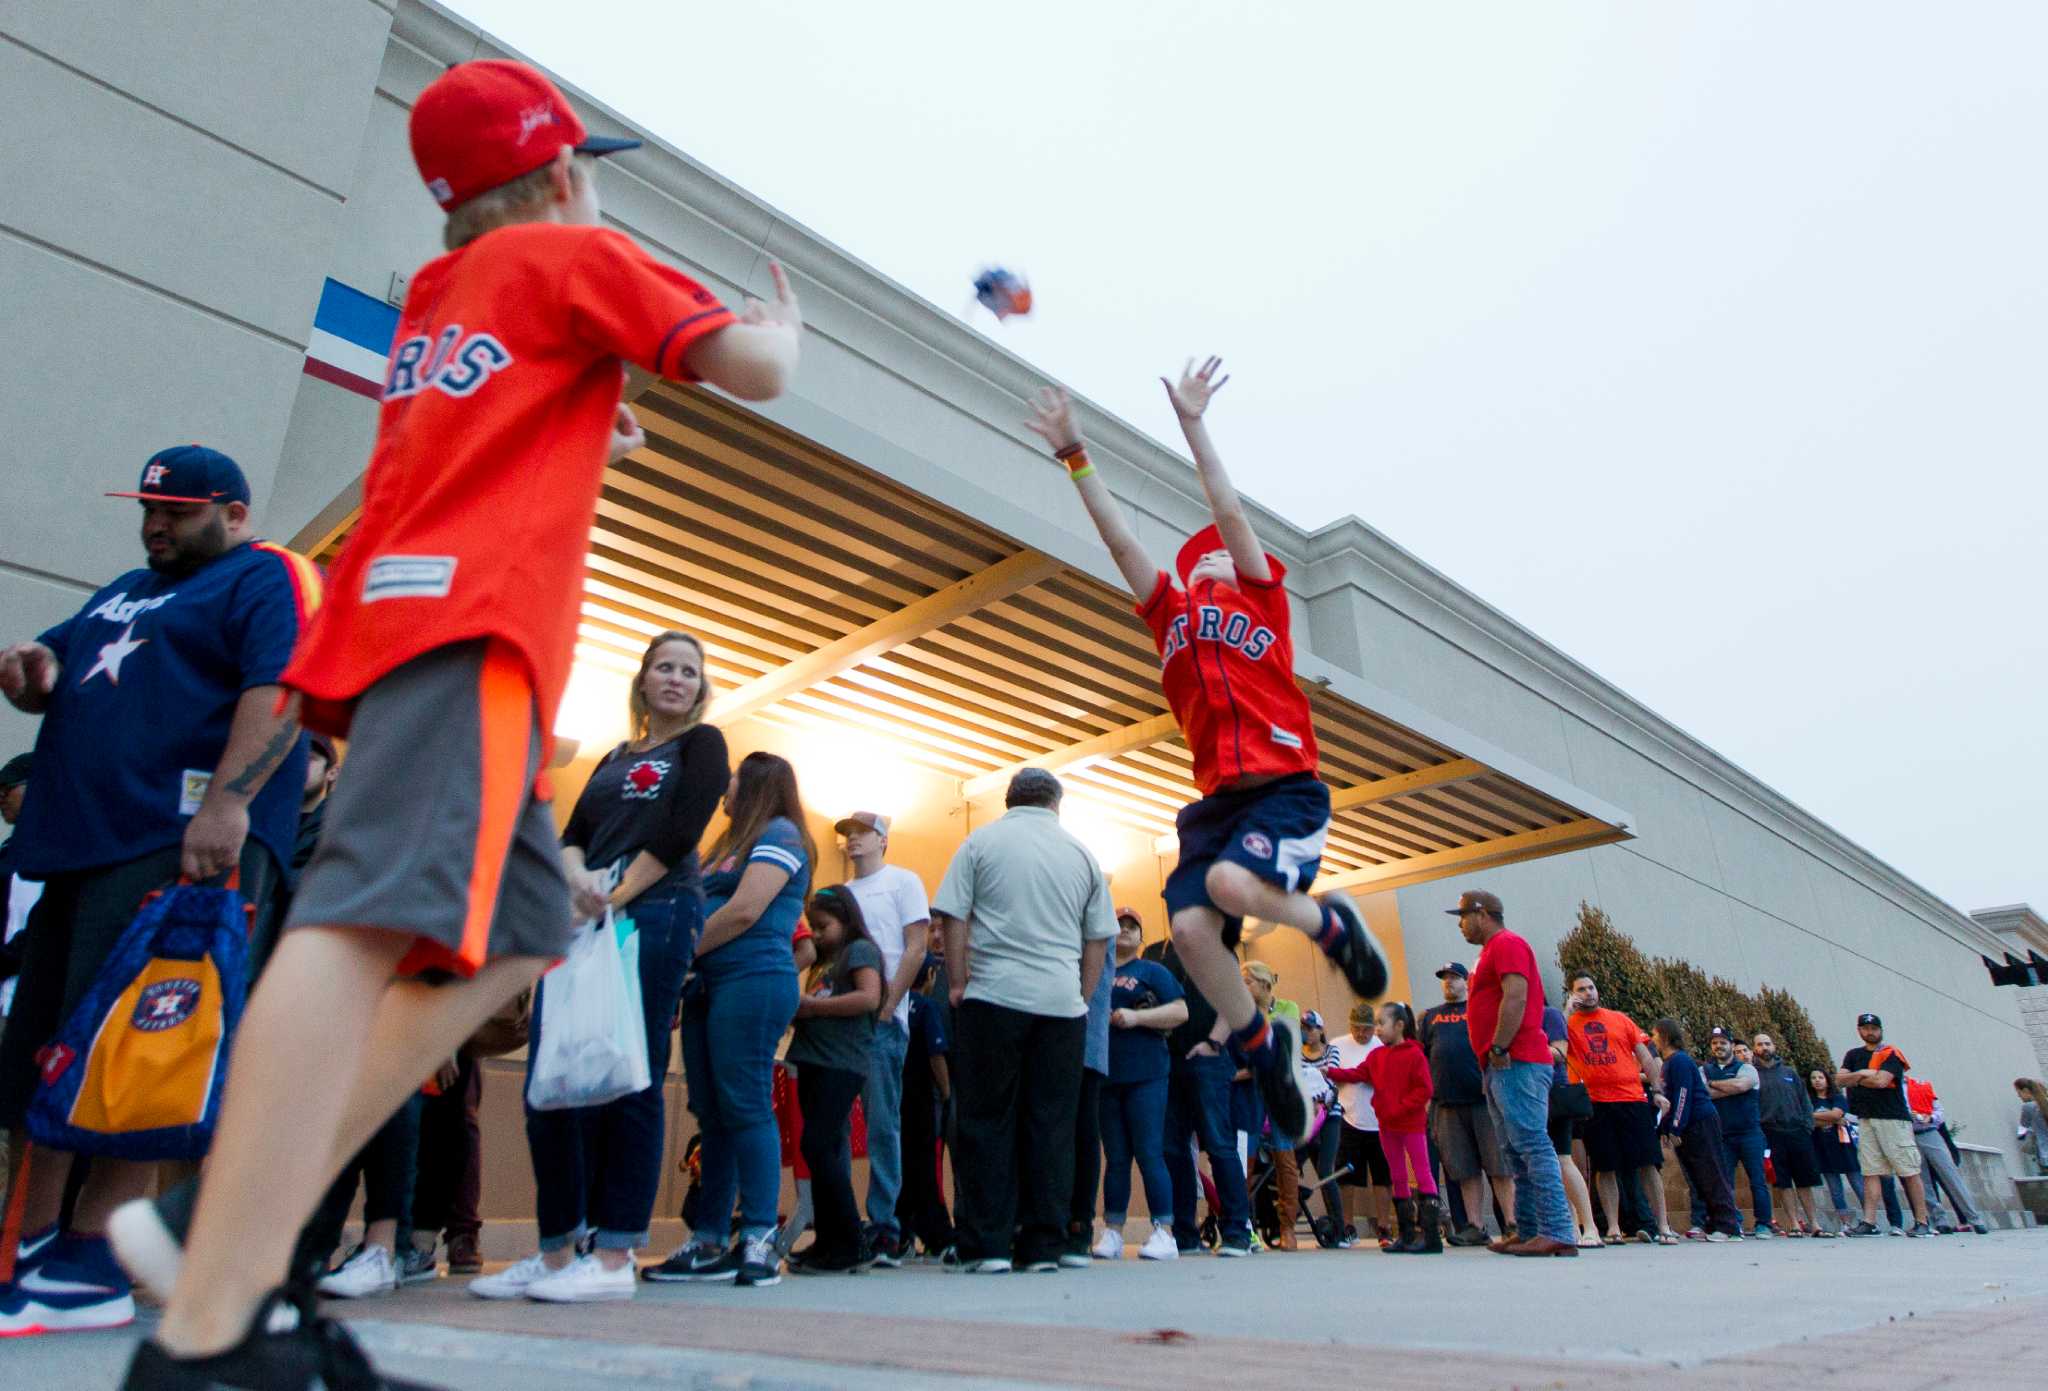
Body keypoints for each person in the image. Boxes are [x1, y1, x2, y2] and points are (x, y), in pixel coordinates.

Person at [110, 56, 802, 1388]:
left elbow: (524, 420)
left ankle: (222, 1228)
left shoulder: (442, 296)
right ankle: (206, 1321)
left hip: (400, 636)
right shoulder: (567, 256)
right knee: (364, 918)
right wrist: (785, 320)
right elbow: (754, 367)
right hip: (470, 640)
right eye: (581, 173)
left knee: (524, 930)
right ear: (557, 176)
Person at [0, 445, 317, 1339]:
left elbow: (283, 687)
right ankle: (32, 1245)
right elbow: (57, 674)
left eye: (177, 510)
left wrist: (227, 806)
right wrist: (31, 674)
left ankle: (96, 1255)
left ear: (235, 513)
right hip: (80, 847)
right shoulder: (122, 590)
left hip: (176, 845)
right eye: (149, 506)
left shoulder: (264, 579)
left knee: (140, 1053)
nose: (156, 522)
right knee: (56, 1051)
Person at [1024, 374, 1387, 1155]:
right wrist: (1075, 456)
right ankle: (1263, 1050)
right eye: (1206, 557)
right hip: (1218, 803)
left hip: (1285, 788)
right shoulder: (1171, 617)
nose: (1218, 554)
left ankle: (1332, 923)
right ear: (1190, 574)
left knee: (1226, 886)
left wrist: (1192, 425)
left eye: (1228, 551)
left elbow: (1226, 506)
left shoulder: (1264, 604)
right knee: (1190, 930)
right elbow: (1122, 542)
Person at [477, 630, 729, 1301]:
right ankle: (556, 1249)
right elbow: (570, 836)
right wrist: (576, 883)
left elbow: (681, 830)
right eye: (663, 667)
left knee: (632, 1073)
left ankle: (615, 1253)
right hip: (587, 918)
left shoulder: (701, 746)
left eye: (688, 671)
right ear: (642, 681)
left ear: (699, 689)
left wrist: (611, 896)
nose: (675, 678)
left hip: (656, 911)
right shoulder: (613, 757)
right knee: (554, 1075)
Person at [934, 768, 1115, 1273]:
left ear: (1009, 801)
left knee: (987, 1122)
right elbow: (1097, 935)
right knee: (1052, 1125)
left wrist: (956, 981)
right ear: (1056, 804)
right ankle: (1043, 1244)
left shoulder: (980, 843)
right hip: (1061, 1005)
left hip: (993, 998)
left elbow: (953, 914)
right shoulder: (1082, 854)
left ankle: (990, 1244)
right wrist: (1081, 992)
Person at [650, 753, 813, 1288]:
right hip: (706, 987)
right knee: (713, 1115)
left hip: (753, 979)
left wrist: (682, 955)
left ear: (758, 787)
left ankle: (761, 1235)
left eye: (734, 782)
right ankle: (709, 1238)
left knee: (745, 1107)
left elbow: (745, 910)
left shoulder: (782, 835)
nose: (725, 792)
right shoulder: (725, 845)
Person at [1450, 890, 1575, 1257]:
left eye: (1462, 916)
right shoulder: (1490, 951)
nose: (1459, 924)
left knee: (1532, 1144)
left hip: (1517, 1060)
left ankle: (1557, 1230)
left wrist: (1501, 1046)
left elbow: (1516, 996)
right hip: (1500, 1065)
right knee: (1514, 1151)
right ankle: (1529, 1230)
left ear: (1482, 913)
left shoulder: (1507, 944)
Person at [832, 811, 930, 1267]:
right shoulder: (840, 894)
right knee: (830, 1124)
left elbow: (916, 946)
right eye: (848, 835)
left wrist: (890, 1005)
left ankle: (886, 1226)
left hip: (882, 1018)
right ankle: (839, 1225)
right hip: (840, 1019)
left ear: (882, 839)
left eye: (861, 833)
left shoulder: (903, 881)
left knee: (882, 1124)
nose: (852, 841)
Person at [784, 887, 886, 1274]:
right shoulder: (825, 961)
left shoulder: (860, 951)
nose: (818, 933)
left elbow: (868, 998)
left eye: (824, 926)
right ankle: (826, 1241)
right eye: (813, 926)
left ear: (846, 919)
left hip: (840, 1063)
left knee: (820, 1145)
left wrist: (813, 1007)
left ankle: (849, 1241)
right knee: (815, 1150)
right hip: (812, 1059)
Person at [1143, 933, 1254, 1256]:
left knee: (1219, 1144)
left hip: (1209, 1059)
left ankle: (1236, 1231)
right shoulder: (1153, 952)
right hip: (1167, 1059)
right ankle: (1184, 1233)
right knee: (1172, 1148)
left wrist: (1215, 1043)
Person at [1095, 907, 1186, 1261]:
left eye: (1133, 926)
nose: (1125, 930)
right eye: (1119, 924)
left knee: (1150, 1152)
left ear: (1141, 937)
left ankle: (1164, 1232)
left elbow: (1180, 1012)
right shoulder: (1096, 972)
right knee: (1116, 1158)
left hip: (1147, 1074)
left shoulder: (1153, 971)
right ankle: (1113, 1231)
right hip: (1107, 1075)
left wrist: (1137, 1017)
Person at [1562, 975, 1675, 1244]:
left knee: (1648, 1164)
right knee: (1606, 1167)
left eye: (1591, 987)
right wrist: (1567, 1012)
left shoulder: (1619, 1019)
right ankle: (1613, 1228)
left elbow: (1645, 1056)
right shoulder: (1569, 1025)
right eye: (1581, 989)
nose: (1588, 993)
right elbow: (1560, 1048)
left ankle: (1663, 1225)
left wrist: (1658, 1091)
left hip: (1632, 1099)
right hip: (1596, 1103)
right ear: (1572, 994)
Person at [1419, 961, 1513, 1246]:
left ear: (1466, 982)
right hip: (1446, 1103)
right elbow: (1421, 1056)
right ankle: (1474, 1225)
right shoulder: (1430, 1017)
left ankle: (1512, 1222)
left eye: (1455, 977)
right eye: (1445, 978)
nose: (1449, 982)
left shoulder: (1480, 1010)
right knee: (1463, 1168)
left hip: (1483, 1100)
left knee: (1498, 1165)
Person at [1837, 1012, 1932, 1237]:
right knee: (1870, 1171)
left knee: (1908, 1170)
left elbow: (1882, 1081)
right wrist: (1864, 1073)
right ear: (1859, 1030)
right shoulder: (1853, 1055)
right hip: (1865, 1119)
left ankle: (1922, 1221)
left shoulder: (1892, 1054)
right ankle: (1869, 1221)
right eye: (1865, 1027)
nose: (1870, 1032)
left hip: (1893, 1118)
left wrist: (1857, 1077)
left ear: (1880, 1029)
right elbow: (1840, 1079)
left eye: (1874, 1028)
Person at [1359, 1002, 1438, 1254]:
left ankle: (1431, 1235)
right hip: (1387, 1125)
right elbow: (1360, 1073)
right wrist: (1332, 1072)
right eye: (1376, 1024)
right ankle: (1406, 1233)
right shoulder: (1378, 1056)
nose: (1377, 1029)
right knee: (1397, 1175)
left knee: (1422, 1171)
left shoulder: (1414, 1054)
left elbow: (1424, 1088)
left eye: (1382, 1024)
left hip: (1410, 1123)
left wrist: (1401, 1107)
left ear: (1400, 1025)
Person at [1652, 1019, 1742, 1240]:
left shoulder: (1680, 1061)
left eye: (1655, 1035)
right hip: (1688, 1124)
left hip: (1699, 1122)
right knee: (1697, 1175)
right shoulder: (1669, 1063)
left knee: (1711, 1171)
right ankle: (1713, 1222)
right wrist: (1665, 1127)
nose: (1652, 1039)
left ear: (1665, 1036)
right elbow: (1669, 1098)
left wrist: (1675, 1127)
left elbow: (1683, 1095)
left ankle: (1728, 1225)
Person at [1240, 960, 1303, 1247]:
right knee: (1246, 1157)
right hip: (1250, 1091)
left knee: (1284, 1157)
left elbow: (1283, 1049)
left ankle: (1287, 1226)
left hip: (1279, 1091)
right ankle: (1242, 1224)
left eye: (1248, 981)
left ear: (1264, 984)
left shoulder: (1287, 1008)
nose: (1242, 987)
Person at [897, 956, 956, 1259]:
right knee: (926, 1163)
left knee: (902, 1163)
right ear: (931, 975)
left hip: (899, 1096)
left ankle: (902, 1233)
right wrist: (947, 1093)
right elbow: (936, 1054)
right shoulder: (928, 1007)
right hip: (922, 1099)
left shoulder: (897, 1004)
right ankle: (939, 1235)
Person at [1064, 926, 1115, 1266]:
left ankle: (1079, 1225)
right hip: (1050, 1040)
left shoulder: (1094, 903)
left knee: (1082, 1132)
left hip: (1083, 1038)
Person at [1751, 1033, 1835, 1237]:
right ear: (1755, 1049)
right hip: (1771, 1132)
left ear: (1774, 1046)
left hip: (1797, 1132)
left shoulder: (1790, 1073)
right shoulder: (1753, 1075)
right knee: (1782, 1181)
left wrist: (1807, 1126)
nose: (1764, 1048)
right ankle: (1794, 1224)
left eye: (1767, 1043)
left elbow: (1804, 1101)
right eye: (1760, 1045)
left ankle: (1814, 1224)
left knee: (1805, 1180)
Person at [1323, 1002, 1389, 1246]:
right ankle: (1347, 1223)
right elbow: (1328, 1077)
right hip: (1348, 1118)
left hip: (1379, 1120)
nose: (1362, 1034)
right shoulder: (1337, 1045)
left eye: (1366, 1029)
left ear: (1374, 1028)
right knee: (1347, 1175)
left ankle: (1384, 1224)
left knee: (1382, 1176)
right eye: (1357, 1028)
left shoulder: (1382, 1046)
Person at [1701, 1027, 1772, 1237]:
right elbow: (1702, 1093)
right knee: (1724, 1183)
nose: (1719, 1046)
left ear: (1732, 1045)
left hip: (1750, 1133)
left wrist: (1714, 1085)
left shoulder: (1747, 1068)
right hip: (1722, 1136)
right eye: (1714, 1043)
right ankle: (1730, 1225)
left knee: (1757, 1180)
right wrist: (1725, 1087)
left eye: (1723, 1042)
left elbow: (1742, 1085)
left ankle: (1764, 1224)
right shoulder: (1704, 1069)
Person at [1541, 1004, 1600, 1248]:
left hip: (1554, 1093)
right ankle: (1571, 1226)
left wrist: (1524, 1050)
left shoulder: (1549, 1014)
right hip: (1528, 1093)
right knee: (1547, 1162)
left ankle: (1590, 1227)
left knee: (1563, 1158)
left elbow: (1559, 1052)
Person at [1905, 1076, 1988, 1234]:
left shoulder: (1919, 1086)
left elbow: (1939, 1110)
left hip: (1929, 1131)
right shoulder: (1889, 1090)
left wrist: (1931, 1117)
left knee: (1950, 1175)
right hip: (1907, 1134)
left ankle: (1974, 1218)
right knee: (1922, 1180)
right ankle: (1939, 1220)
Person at [1295, 1010, 1347, 1241]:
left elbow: (1328, 1079)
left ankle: (1339, 1228)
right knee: (1290, 1165)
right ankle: (1288, 1213)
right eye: (1304, 1027)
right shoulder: (1297, 1055)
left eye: (1311, 1027)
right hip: (1306, 1118)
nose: (1307, 1032)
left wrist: (1312, 1077)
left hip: (1329, 1117)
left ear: (1321, 1030)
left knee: (1325, 1170)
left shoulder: (1331, 1051)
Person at [1806, 1069, 1859, 1233]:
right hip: (1823, 1149)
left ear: (1827, 1080)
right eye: (1813, 1078)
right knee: (1835, 1190)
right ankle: (1845, 1223)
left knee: (1858, 1184)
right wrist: (1829, 1119)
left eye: (1820, 1077)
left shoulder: (1837, 1098)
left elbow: (1837, 1114)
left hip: (1844, 1147)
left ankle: (1868, 1221)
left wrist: (1816, 1117)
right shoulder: (1808, 1100)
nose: (1817, 1080)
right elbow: (1806, 1119)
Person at [2017, 1078, 2048, 1175]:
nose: (2018, 1096)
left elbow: (2022, 1130)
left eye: (2019, 1093)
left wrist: (2022, 1141)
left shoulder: (2028, 1107)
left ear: (2026, 1091)